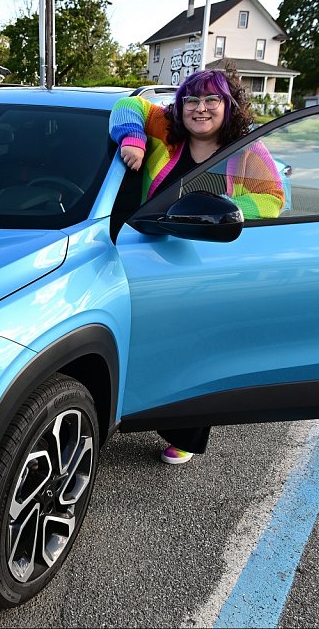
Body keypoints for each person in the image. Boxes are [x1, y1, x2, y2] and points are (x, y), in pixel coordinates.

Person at [108, 69, 285, 465]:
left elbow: (272, 198)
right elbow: (127, 104)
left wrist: (221, 215)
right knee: (151, 339)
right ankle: (136, 406)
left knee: (195, 346)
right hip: (153, 250)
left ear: (227, 105)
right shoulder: (166, 129)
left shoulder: (246, 151)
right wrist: (134, 139)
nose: (200, 109)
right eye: (191, 100)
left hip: (207, 256)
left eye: (211, 100)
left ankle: (184, 431)